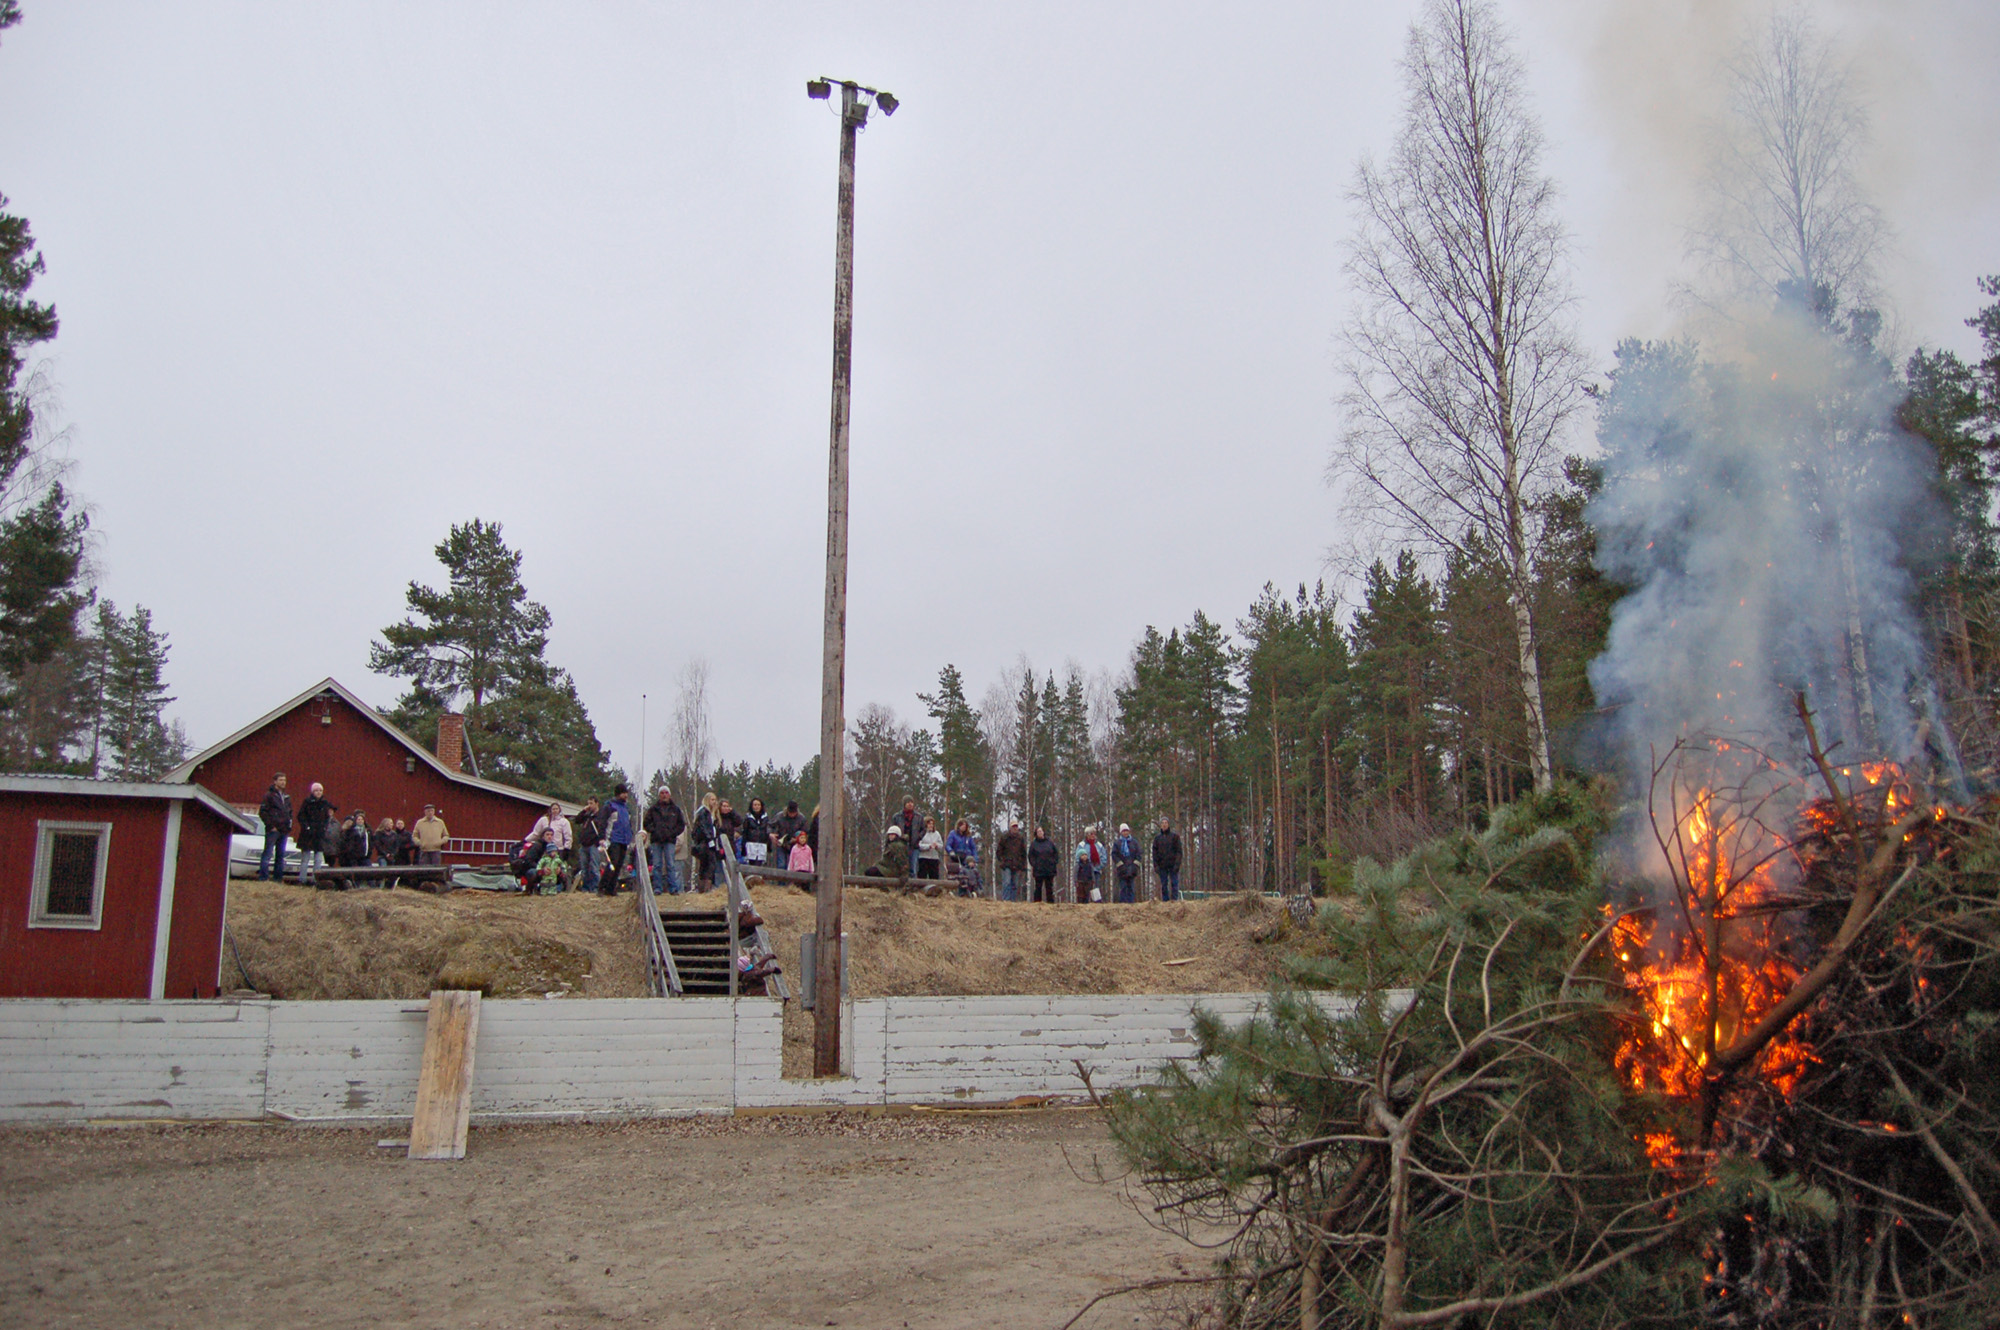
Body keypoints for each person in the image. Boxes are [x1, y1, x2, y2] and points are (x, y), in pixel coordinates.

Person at [644, 788, 686, 895]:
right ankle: (657, 888)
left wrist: (673, 833)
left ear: (670, 795)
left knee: (670, 864)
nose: (664, 795)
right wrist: (654, 831)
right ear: (659, 795)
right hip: (656, 840)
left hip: (670, 840)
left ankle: (673, 888)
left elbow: (681, 825)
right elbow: (646, 823)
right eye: (662, 793)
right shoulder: (653, 809)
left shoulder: (675, 810)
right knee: (657, 865)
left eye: (666, 793)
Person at [296, 782, 333, 886]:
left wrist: (324, 828)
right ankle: (302, 880)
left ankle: (315, 880)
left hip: (319, 835)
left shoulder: (325, 803)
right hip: (308, 835)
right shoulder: (307, 802)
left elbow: (327, 817)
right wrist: (307, 827)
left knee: (318, 859)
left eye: (320, 790)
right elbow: (300, 816)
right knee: (305, 859)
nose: (318, 792)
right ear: (312, 792)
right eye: (316, 790)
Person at [257, 772, 292, 881]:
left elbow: (289, 812)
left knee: (280, 856)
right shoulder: (269, 795)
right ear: (275, 781)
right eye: (281, 780)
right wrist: (271, 826)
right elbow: (263, 812)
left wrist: (288, 825)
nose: (283, 782)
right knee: (267, 854)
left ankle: (278, 879)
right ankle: (263, 878)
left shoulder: (286, 797)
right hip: (273, 830)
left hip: (283, 830)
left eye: (284, 780)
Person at [601, 784, 634, 895]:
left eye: (626, 793)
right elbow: (602, 822)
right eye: (623, 793)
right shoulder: (610, 806)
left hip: (624, 840)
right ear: (618, 794)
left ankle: (611, 888)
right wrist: (602, 838)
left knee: (619, 864)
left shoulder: (626, 808)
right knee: (613, 863)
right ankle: (602, 886)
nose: (626, 795)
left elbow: (628, 824)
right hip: (613, 839)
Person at [693, 792, 726, 891]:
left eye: (715, 799)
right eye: (712, 799)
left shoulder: (712, 813)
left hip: (711, 842)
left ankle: (706, 887)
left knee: (709, 865)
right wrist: (709, 839)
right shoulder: (703, 812)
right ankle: (705, 887)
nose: (714, 802)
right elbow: (704, 827)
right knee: (707, 865)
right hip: (705, 843)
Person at [574, 796, 604, 892]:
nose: (589, 805)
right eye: (588, 803)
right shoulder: (587, 816)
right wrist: (583, 811)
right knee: (585, 868)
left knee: (594, 867)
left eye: (591, 803)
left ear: (596, 803)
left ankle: (595, 888)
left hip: (593, 845)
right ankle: (586, 888)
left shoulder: (600, 816)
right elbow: (577, 820)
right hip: (584, 845)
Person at [1152, 817, 1184, 901]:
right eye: (1162, 823)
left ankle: (1174, 900)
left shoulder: (1175, 837)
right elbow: (1154, 854)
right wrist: (1156, 866)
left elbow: (1179, 852)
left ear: (1168, 824)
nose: (1164, 824)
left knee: (1174, 883)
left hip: (1173, 865)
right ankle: (1165, 902)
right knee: (1164, 885)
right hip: (1162, 866)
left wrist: (1177, 864)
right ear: (1160, 825)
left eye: (1166, 823)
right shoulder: (1157, 839)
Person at [1027, 825, 1060, 904]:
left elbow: (1056, 853)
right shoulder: (1034, 844)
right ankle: (1037, 903)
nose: (1040, 833)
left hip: (1049, 869)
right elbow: (1030, 856)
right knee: (1038, 887)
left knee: (1049, 888)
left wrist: (1054, 862)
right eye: (1038, 831)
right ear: (1036, 833)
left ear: (1043, 832)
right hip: (1039, 870)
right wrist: (1035, 864)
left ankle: (1051, 904)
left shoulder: (1050, 842)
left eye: (1041, 831)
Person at [995, 820, 1027, 902]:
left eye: (1016, 826)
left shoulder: (1020, 839)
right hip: (1006, 864)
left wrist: (1023, 865)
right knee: (1007, 882)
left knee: (1015, 884)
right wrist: (1002, 860)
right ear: (1010, 828)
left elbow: (1023, 853)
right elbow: (999, 851)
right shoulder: (1004, 837)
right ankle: (1006, 900)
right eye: (1013, 826)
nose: (1015, 828)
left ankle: (1013, 901)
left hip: (1017, 864)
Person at [1111, 823, 1141, 904]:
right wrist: (1120, 865)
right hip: (1122, 869)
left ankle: (1131, 903)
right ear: (1121, 832)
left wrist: (1135, 865)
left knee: (1131, 887)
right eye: (1123, 831)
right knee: (1123, 887)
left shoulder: (1134, 842)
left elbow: (1139, 854)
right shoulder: (1117, 843)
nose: (1125, 833)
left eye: (1126, 831)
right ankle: (1123, 903)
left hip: (1132, 869)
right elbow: (1114, 855)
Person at [739, 797, 773, 869]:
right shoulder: (748, 818)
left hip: (762, 845)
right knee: (751, 866)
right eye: (755, 805)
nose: (756, 807)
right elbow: (745, 832)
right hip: (751, 845)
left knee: (760, 866)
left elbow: (767, 831)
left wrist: (769, 845)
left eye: (758, 805)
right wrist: (743, 846)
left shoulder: (765, 818)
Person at [1075, 828, 1103, 904]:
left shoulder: (1099, 845)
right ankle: (1084, 903)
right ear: (1087, 835)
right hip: (1084, 872)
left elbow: (1104, 857)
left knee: (1096, 888)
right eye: (1091, 834)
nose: (1093, 835)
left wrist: (1098, 867)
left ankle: (1096, 903)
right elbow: (1077, 857)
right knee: (1083, 891)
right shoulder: (1081, 845)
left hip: (1096, 870)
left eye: (1094, 833)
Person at [896, 798, 922, 875]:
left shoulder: (919, 817)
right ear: (904, 804)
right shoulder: (897, 817)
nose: (910, 804)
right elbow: (893, 829)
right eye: (908, 802)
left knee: (913, 869)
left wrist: (918, 837)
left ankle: (912, 885)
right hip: (901, 846)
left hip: (914, 846)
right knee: (901, 867)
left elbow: (923, 830)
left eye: (911, 802)